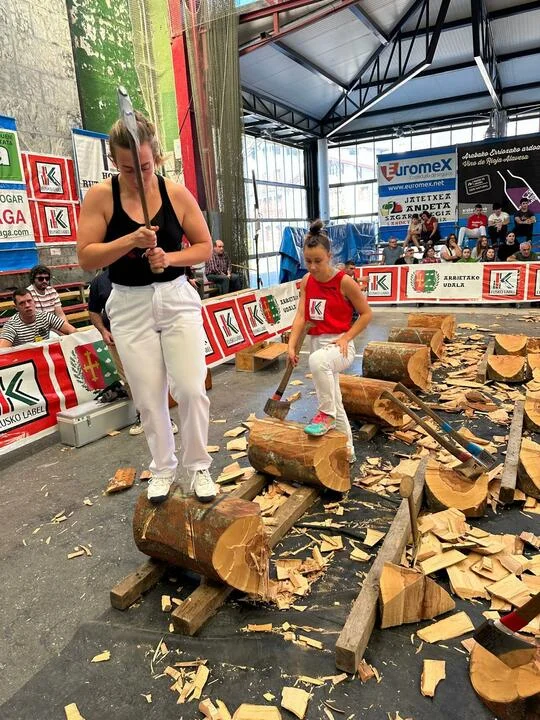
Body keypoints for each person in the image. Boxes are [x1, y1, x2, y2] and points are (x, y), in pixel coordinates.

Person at [76, 110, 215, 505]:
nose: (137, 177)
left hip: (175, 297)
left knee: (190, 388)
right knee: (149, 397)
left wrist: (169, 258)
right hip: (129, 303)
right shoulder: (101, 197)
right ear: (113, 161)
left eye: (145, 167)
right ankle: (163, 467)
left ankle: (198, 465)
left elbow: (204, 247)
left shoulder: (176, 194)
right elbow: (86, 257)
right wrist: (130, 241)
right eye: (127, 169)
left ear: (156, 156)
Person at [287, 220, 372, 465]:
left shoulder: (344, 281)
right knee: (335, 400)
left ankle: (325, 414)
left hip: (340, 347)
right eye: (308, 261)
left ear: (330, 256)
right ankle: (348, 452)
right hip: (316, 343)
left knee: (318, 364)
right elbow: (301, 316)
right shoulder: (307, 280)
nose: (313, 266)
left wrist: (346, 337)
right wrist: (291, 345)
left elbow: (366, 314)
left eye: (318, 261)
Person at [87, 268, 178, 437]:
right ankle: (143, 416)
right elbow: (93, 311)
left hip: (146, 333)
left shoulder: (140, 271)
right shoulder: (99, 282)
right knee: (129, 379)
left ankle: (164, 418)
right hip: (117, 338)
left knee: (155, 376)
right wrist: (103, 331)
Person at [0, 288, 76, 348]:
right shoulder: (11, 325)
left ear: (34, 302)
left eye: (29, 301)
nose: (27, 305)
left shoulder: (45, 316)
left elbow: (72, 330)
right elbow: (2, 350)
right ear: (16, 307)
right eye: (22, 303)